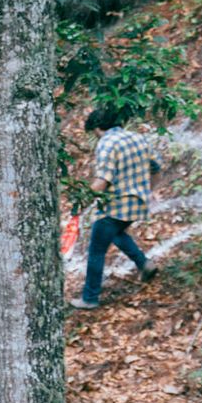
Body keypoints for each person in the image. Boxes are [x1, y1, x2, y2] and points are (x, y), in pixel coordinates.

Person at [71, 124, 162, 310]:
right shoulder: (138, 138)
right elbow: (155, 167)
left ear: (97, 128)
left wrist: (81, 201)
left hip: (115, 206)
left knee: (96, 250)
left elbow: (102, 180)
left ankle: (90, 298)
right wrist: (148, 190)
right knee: (115, 233)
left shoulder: (107, 142)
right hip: (137, 203)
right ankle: (144, 263)